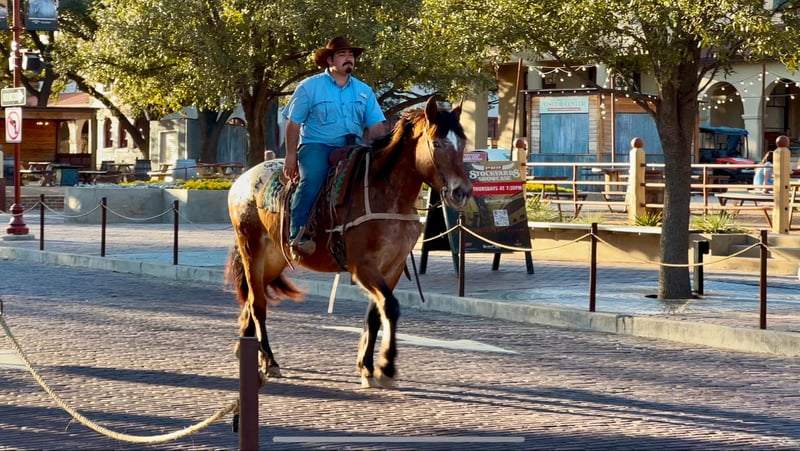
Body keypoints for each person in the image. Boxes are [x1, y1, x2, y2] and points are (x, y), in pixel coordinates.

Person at [282, 36, 386, 256]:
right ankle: (298, 234)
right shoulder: (309, 87)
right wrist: (291, 155)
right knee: (313, 178)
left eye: (351, 55)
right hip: (317, 145)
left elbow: (376, 126)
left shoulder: (364, 91)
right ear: (329, 60)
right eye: (342, 54)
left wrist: (382, 152)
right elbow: (293, 123)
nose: (349, 58)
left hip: (353, 147)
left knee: (375, 179)